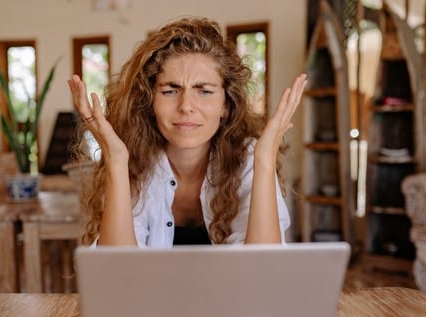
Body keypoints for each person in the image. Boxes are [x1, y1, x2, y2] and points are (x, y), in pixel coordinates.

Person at [67, 16, 307, 248]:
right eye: (171, 91)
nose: (186, 106)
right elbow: (117, 272)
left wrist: (264, 159)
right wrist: (116, 161)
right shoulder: (133, 160)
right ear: (150, 101)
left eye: (204, 91)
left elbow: (263, 271)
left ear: (225, 104)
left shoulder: (247, 157)